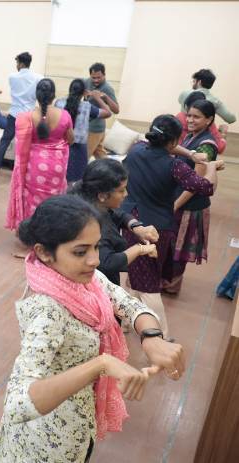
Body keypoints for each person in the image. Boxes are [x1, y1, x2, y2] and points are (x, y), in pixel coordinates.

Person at [0, 195, 186, 463]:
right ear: (45, 252)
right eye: (81, 252)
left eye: (96, 247)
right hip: (49, 440)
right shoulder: (48, 311)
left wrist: (151, 337)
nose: (94, 260)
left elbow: (126, 303)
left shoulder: (82, 281)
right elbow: (17, 403)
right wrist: (99, 365)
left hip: (80, 420)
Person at [121, 115, 222, 338]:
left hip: (130, 221)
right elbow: (205, 187)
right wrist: (212, 166)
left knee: (136, 274)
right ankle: (161, 336)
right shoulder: (174, 166)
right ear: (175, 140)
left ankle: (126, 321)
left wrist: (189, 153)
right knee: (149, 285)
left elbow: (165, 148)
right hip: (155, 228)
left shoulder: (136, 150)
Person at [69, 160, 162, 330]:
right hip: (93, 289)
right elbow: (107, 262)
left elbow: (118, 214)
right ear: (102, 195)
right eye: (121, 190)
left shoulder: (90, 200)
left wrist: (136, 226)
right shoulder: (93, 225)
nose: (126, 194)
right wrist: (141, 249)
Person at [5, 78, 74, 257]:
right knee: (53, 203)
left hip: (35, 166)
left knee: (33, 204)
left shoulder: (27, 117)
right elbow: (71, 139)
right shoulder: (65, 115)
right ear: (54, 95)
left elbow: (21, 144)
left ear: (36, 95)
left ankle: (33, 245)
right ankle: (51, 241)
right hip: (57, 167)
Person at [165, 100, 221, 293]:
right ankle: (165, 282)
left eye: (196, 117)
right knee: (170, 245)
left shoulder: (206, 146)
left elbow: (196, 184)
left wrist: (175, 205)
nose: (190, 119)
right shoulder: (190, 136)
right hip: (179, 200)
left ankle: (171, 286)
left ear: (209, 120)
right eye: (188, 115)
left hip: (190, 205)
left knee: (178, 249)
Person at [0, 52, 42, 181]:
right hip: (28, 116)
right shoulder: (39, 78)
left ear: (20, 63)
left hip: (14, 114)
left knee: (5, 141)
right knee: (25, 144)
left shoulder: (12, 77)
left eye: (17, 63)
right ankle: (21, 173)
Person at [55, 78, 112, 183]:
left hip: (60, 146)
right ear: (83, 92)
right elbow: (108, 113)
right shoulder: (87, 107)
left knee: (59, 178)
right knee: (75, 181)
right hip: (79, 149)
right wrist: (97, 97)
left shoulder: (58, 103)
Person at [85, 63, 120, 159]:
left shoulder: (107, 88)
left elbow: (116, 110)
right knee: (100, 155)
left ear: (104, 75)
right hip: (87, 125)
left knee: (83, 158)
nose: (96, 80)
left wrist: (106, 97)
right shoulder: (87, 82)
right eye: (93, 77)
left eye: (99, 78)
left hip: (94, 128)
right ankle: (112, 173)